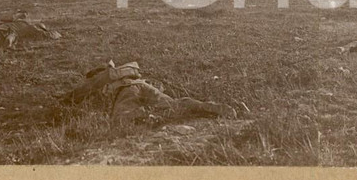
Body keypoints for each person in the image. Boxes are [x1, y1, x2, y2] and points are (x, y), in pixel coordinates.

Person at [60, 60, 236, 123]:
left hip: (126, 91)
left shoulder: (103, 77)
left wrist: (64, 101)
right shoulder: (128, 72)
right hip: (143, 85)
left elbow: (82, 91)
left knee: (121, 117)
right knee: (174, 104)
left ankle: (148, 118)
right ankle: (211, 107)